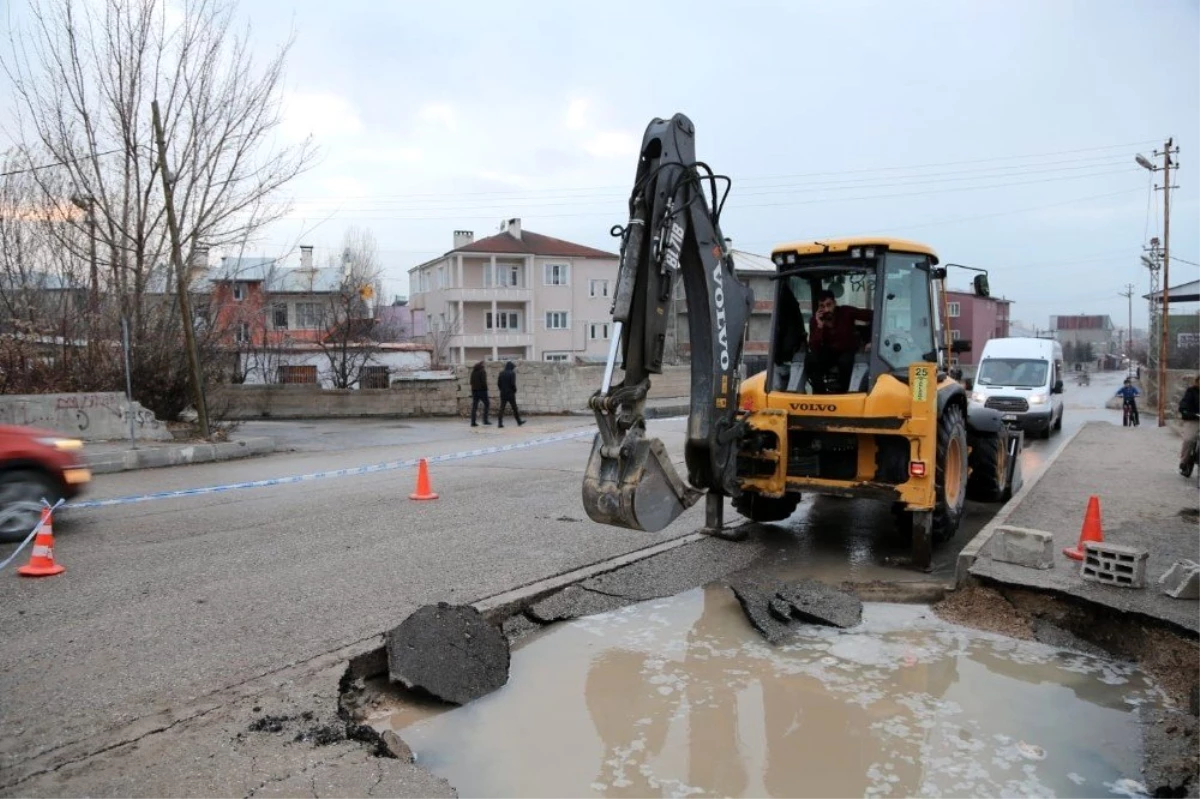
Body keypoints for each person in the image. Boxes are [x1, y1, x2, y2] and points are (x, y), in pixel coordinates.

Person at [803, 289, 873, 393]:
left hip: (847, 350)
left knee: (845, 361)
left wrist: (871, 339)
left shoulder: (846, 312)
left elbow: (872, 315)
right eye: (822, 306)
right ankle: (820, 394)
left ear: (834, 303)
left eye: (829, 305)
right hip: (828, 353)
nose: (826, 309)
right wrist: (819, 326)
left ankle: (843, 391)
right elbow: (814, 347)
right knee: (810, 359)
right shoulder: (815, 321)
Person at [1179, 375, 1200, 476]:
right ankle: (1184, 461)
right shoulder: (1191, 391)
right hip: (1194, 419)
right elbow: (1184, 403)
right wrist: (1185, 410)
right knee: (1189, 439)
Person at [496, 361, 525, 428]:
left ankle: (499, 423)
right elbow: (513, 384)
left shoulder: (501, 373)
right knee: (514, 408)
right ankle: (519, 421)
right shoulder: (512, 373)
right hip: (510, 393)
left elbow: (498, 383)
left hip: (503, 393)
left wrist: (502, 390)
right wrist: (514, 390)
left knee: (502, 408)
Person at [469, 361, 491, 426]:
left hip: (474, 391)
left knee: (474, 406)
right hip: (482, 391)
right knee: (487, 404)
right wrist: (486, 388)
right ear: (482, 365)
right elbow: (484, 382)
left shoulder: (473, 372)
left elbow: (471, 382)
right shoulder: (482, 371)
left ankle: (473, 422)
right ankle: (485, 420)